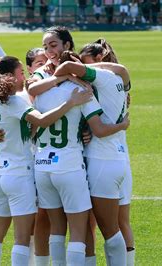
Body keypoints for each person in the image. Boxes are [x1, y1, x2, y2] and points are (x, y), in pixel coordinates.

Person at [29, 26, 131, 265]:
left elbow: (33, 102)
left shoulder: (43, 83)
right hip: (82, 163)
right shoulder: (82, 89)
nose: (48, 51)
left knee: (60, 227)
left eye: (52, 45)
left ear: (67, 45)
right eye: (45, 47)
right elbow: (98, 125)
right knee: (85, 227)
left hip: (47, 163)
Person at [0, 56, 93, 266]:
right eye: (20, 73)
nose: (24, 77)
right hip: (18, 175)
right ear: (9, 77)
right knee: (22, 239)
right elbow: (41, 121)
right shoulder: (14, 102)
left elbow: (24, 128)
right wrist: (71, 102)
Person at [79, 39, 136, 266]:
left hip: (103, 158)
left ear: (99, 60)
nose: (84, 71)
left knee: (94, 223)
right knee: (121, 223)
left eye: (86, 64)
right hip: (121, 156)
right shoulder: (118, 81)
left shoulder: (103, 82)